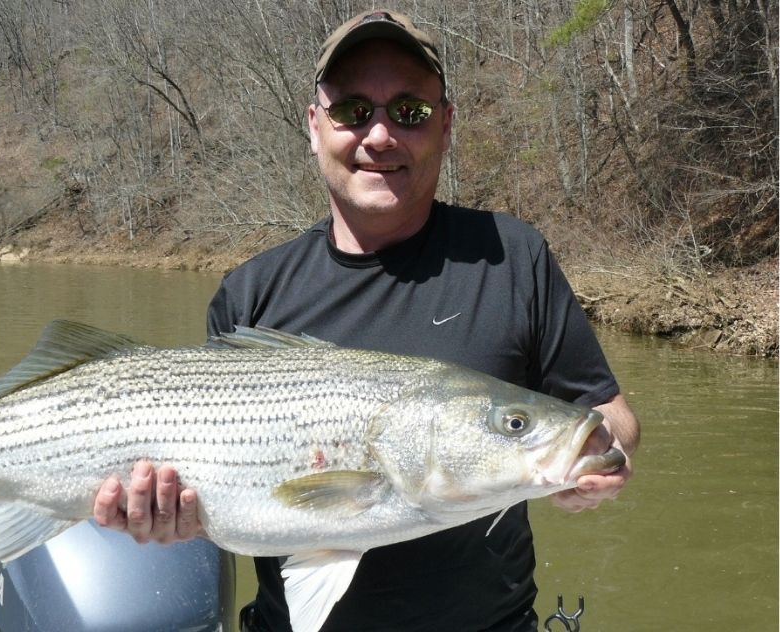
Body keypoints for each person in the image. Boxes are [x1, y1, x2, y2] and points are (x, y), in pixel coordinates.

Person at [93, 9, 640, 631]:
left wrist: (605, 454)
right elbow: (217, 492)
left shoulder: (512, 256)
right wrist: (168, 519)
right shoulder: (250, 290)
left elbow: (607, 411)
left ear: (446, 125)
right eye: (353, 110)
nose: (379, 135)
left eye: (409, 111)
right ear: (314, 126)